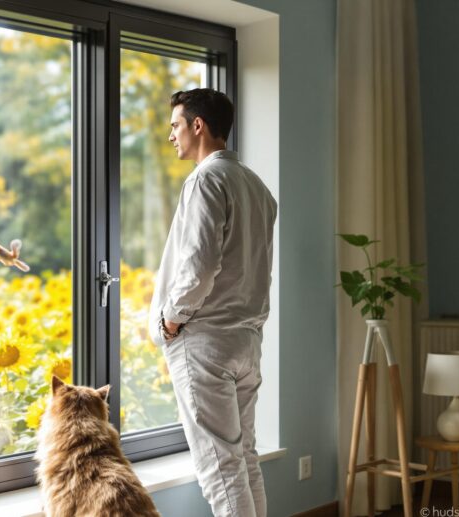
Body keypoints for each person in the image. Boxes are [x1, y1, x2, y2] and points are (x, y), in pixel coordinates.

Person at [149, 88, 277, 517]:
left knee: (221, 469)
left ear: (197, 126)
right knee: (244, 458)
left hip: (206, 341)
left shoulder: (206, 180)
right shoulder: (257, 186)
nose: (171, 136)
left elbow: (200, 264)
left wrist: (171, 319)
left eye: (175, 125)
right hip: (247, 340)